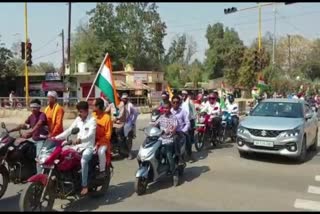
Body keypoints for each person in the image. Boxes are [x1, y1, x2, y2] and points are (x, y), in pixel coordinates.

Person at [53, 101, 97, 196]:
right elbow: (69, 131)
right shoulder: (78, 119)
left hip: (88, 147)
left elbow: (91, 135)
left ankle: (84, 185)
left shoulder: (92, 120)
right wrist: (55, 138)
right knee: (62, 155)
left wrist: (81, 140)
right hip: (77, 146)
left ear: (86, 111)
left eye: (81, 111)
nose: (79, 113)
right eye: (78, 111)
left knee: (84, 161)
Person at [8, 99, 48, 173]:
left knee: (38, 159)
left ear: (39, 108)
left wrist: (31, 132)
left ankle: (39, 177)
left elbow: (38, 124)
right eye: (32, 107)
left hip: (41, 140)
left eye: (35, 107)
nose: (33, 109)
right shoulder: (31, 116)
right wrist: (11, 130)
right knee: (19, 149)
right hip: (33, 139)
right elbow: (24, 125)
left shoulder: (42, 115)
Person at [153, 101, 178, 174]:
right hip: (160, 139)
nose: (165, 109)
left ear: (170, 108)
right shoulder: (161, 116)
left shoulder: (173, 117)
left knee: (168, 154)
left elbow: (174, 128)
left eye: (167, 108)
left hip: (169, 139)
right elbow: (155, 124)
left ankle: (174, 172)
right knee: (154, 152)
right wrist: (149, 128)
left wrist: (171, 131)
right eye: (164, 108)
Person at [92, 98, 113, 178]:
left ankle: (102, 171)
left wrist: (99, 142)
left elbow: (108, 135)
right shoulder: (93, 115)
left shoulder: (107, 118)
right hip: (92, 140)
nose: (92, 106)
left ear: (98, 106)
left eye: (93, 105)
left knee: (101, 152)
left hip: (103, 142)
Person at [171, 95, 195, 163]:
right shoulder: (169, 111)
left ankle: (189, 155)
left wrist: (183, 130)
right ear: (171, 103)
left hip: (181, 131)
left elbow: (187, 123)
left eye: (177, 102)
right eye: (174, 102)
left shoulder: (183, 111)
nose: (175, 104)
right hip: (171, 132)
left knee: (187, 139)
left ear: (179, 103)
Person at [121, 93, 139, 159]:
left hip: (128, 124)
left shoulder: (130, 105)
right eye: (123, 98)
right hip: (121, 123)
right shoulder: (121, 104)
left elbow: (136, 113)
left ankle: (130, 153)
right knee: (122, 138)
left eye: (125, 98)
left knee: (128, 139)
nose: (124, 99)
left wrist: (132, 121)